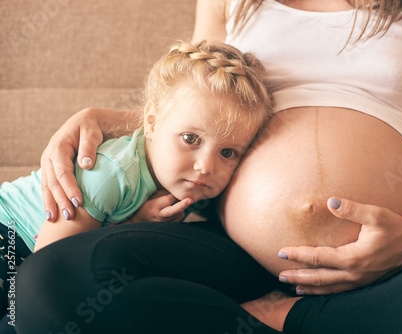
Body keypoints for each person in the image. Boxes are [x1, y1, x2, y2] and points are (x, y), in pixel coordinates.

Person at [15, 0, 402, 333]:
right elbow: (194, 102)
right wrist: (103, 119)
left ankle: (285, 317)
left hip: (400, 258)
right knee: (51, 285)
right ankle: (295, 317)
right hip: (234, 256)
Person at [0, 39, 272, 331]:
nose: (206, 167)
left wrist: (138, 221)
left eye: (227, 152)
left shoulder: (185, 182)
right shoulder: (111, 172)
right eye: (190, 139)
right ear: (152, 122)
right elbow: (50, 270)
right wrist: (134, 221)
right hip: (15, 238)